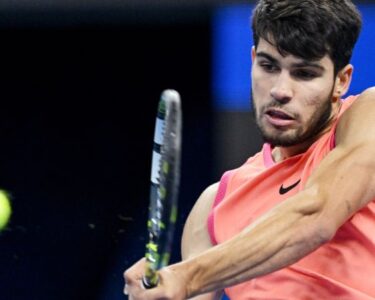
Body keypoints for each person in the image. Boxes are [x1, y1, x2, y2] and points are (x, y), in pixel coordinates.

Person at [124, 0, 375, 299]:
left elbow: (316, 215)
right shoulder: (214, 205)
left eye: (304, 73)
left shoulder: (366, 119)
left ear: (341, 81)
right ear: (253, 59)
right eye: (268, 66)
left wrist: (186, 276)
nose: (280, 90)